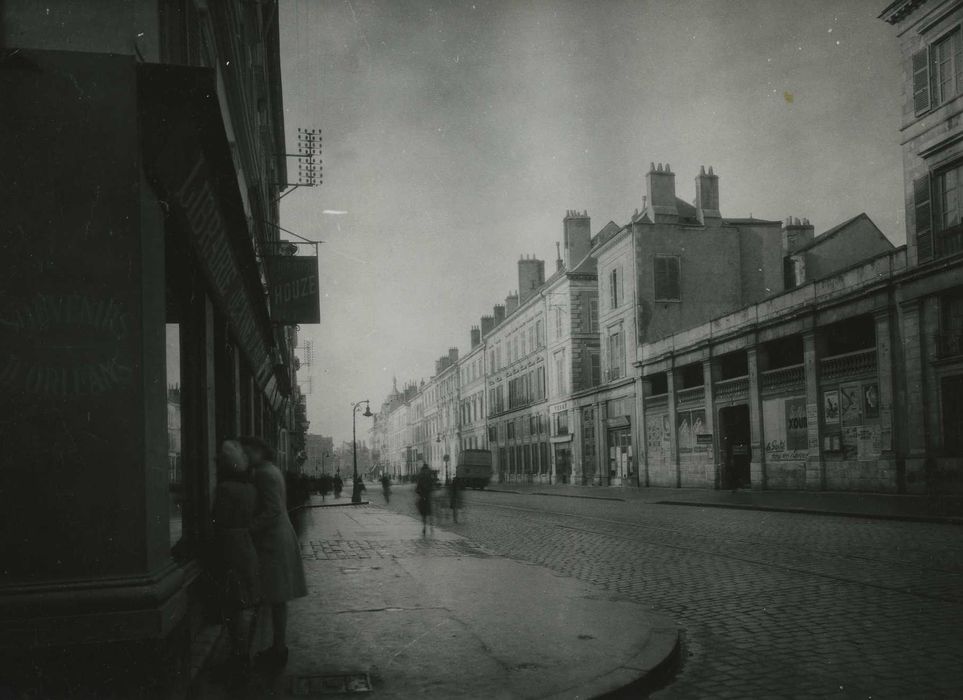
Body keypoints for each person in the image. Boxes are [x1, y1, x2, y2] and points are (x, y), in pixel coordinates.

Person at [241, 436, 307, 669]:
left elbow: (272, 511)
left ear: (259, 451)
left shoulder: (263, 474)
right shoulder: (272, 470)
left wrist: (248, 528)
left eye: (248, 451)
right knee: (278, 599)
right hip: (278, 538)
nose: (245, 456)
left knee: (277, 597)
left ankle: (278, 650)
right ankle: (278, 647)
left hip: (272, 542)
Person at [211, 440, 260, 678]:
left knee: (231, 603)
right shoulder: (250, 489)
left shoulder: (224, 489)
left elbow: (217, 521)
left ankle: (238, 656)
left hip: (228, 547)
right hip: (246, 545)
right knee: (245, 602)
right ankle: (243, 653)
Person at [415, 464, 434, 535]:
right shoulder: (430, 477)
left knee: (424, 514)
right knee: (430, 513)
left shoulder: (421, 478)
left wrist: (420, 493)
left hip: (423, 497)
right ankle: (431, 527)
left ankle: (424, 527)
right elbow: (432, 487)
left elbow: (417, 489)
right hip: (428, 497)